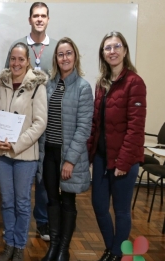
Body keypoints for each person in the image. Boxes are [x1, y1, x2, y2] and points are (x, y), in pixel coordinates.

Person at [87, 31, 146, 261]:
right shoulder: (101, 84)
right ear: (102, 53)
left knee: (121, 210)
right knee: (99, 206)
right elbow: (96, 123)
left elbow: (135, 128)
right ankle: (113, 249)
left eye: (116, 46)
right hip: (102, 157)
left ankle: (115, 253)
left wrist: (123, 161)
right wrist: (90, 154)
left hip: (125, 160)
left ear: (125, 50)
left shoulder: (135, 82)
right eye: (107, 48)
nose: (112, 51)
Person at [37, 37, 93, 261]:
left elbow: (84, 128)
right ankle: (54, 245)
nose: (65, 58)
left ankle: (64, 249)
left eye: (68, 53)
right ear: (56, 59)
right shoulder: (49, 85)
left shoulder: (83, 87)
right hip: (49, 153)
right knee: (51, 199)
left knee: (68, 201)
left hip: (69, 156)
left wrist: (69, 160)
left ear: (75, 56)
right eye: (60, 54)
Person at [4, 1, 56, 241]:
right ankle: (14, 228)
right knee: (20, 182)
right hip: (19, 122)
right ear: (29, 19)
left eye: (43, 16)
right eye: (35, 15)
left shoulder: (55, 47)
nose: (39, 19)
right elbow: (9, 78)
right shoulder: (19, 46)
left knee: (43, 173)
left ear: (47, 19)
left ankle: (42, 220)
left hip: (45, 117)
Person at [0, 42, 47, 261]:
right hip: (2, 154)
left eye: (21, 59)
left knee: (22, 202)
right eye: (13, 59)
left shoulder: (37, 86)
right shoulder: (1, 82)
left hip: (24, 155)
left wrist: (16, 144)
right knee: (7, 200)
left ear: (28, 61)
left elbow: (40, 123)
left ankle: (19, 246)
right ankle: (9, 244)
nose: (16, 63)